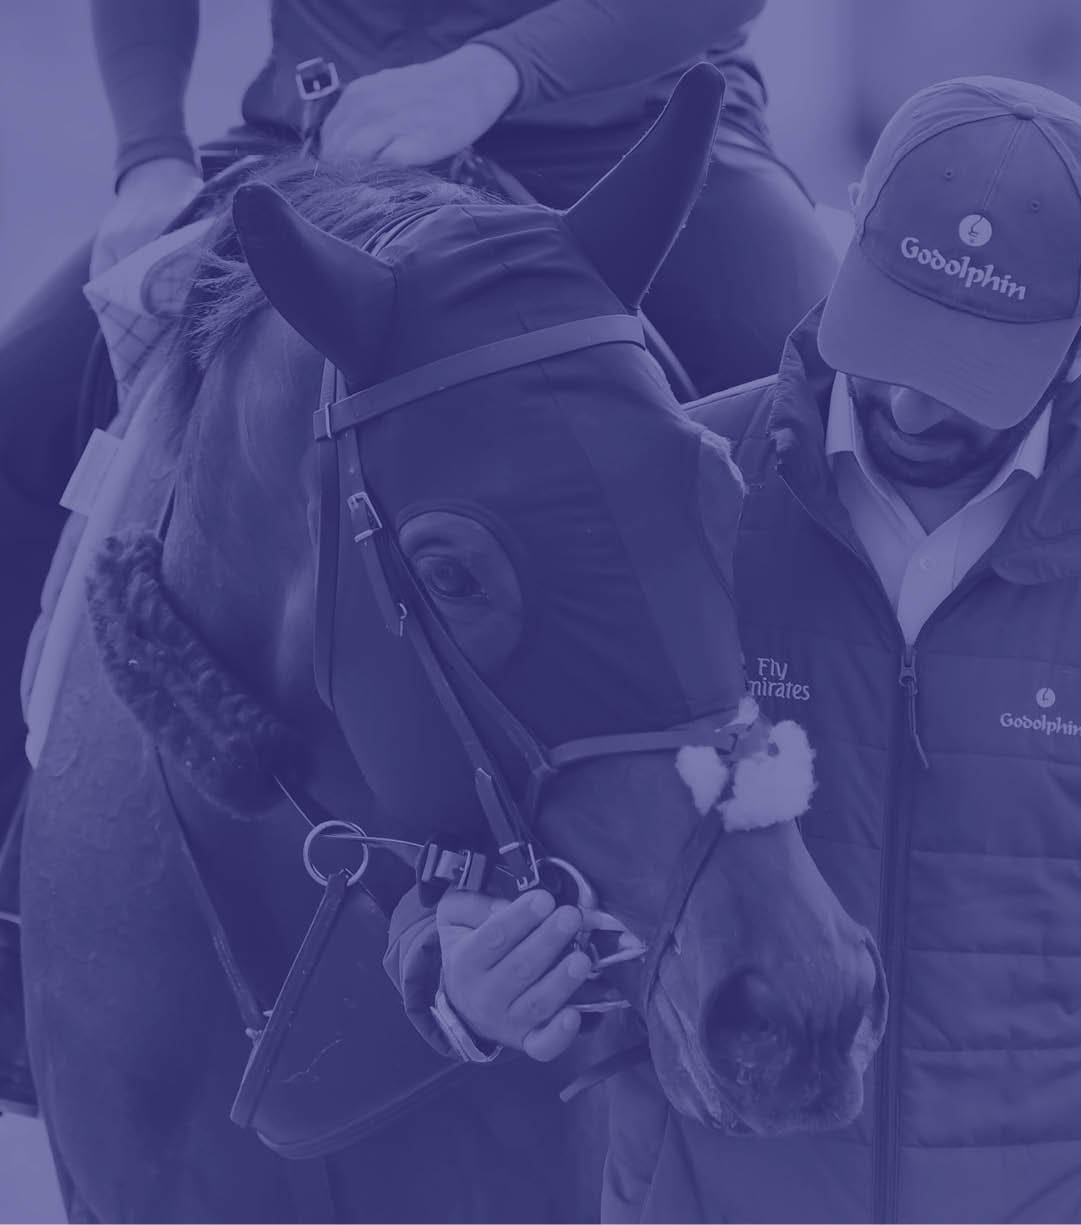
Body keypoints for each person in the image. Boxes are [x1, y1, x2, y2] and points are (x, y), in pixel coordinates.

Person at [0, 0, 841, 1113]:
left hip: (622, 142)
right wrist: (148, 155)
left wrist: (495, 71)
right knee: (14, 422)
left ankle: (837, 958)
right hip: (324, 146)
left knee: (837, 433)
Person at [391, 75, 1081, 1222]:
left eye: (969, 372)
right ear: (851, 246)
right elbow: (459, 833)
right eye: (896, 336)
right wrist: (452, 971)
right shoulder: (669, 497)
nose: (911, 407)